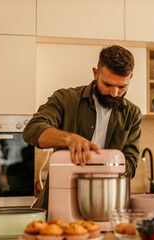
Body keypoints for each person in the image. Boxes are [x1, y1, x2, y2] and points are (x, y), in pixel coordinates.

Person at [23, 45, 142, 209]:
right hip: (57, 204)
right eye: (108, 84)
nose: (115, 93)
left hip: (104, 206)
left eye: (122, 87)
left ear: (131, 78)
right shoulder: (65, 99)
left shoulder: (132, 114)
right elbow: (32, 130)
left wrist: (100, 163)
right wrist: (69, 139)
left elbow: (130, 167)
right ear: (95, 73)